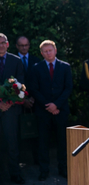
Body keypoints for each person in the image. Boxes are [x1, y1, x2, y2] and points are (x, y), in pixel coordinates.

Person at [30, 40, 72, 181]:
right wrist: (48, 105)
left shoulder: (65, 67)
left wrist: (57, 105)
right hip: (43, 111)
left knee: (62, 141)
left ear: (55, 50)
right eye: (45, 51)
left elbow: (68, 88)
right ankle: (44, 170)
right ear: (42, 53)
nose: (48, 53)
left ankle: (63, 169)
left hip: (61, 111)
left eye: (50, 50)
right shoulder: (36, 68)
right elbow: (34, 89)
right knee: (43, 142)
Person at [0, 33, 25, 184]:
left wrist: (9, 102)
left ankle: (14, 174)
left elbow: (21, 83)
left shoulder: (16, 61)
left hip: (11, 109)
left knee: (12, 143)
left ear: (8, 44)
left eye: (3, 42)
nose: (1, 46)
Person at [16, 35, 40, 164]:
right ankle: (19, 160)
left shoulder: (36, 61)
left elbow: (40, 82)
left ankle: (36, 159)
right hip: (17, 102)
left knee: (35, 131)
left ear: (29, 45)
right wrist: (23, 99)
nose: (24, 48)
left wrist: (32, 98)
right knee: (17, 132)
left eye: (26, 45)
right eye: (21, 45)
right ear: (16, 46)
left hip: (34, 101)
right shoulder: (12, 61)